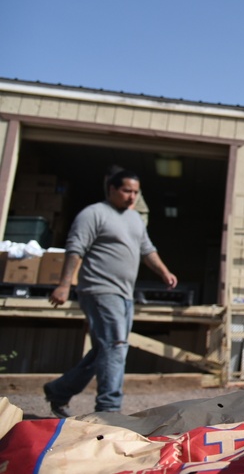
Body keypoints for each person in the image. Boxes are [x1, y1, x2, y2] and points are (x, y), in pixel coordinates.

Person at [44, 169, 177, 417]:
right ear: (112, 189)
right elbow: (75, 249)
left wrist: (164, 272)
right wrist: (64, 285)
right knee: (115, 346)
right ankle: (109, 408)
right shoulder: (93, 214)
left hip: (125, 294)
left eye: (136, 192)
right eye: (127, 191)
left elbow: (147, 249)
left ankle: (59, 390)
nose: (132, 197)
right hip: (99, 289)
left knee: (106, 350)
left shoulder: (135, 218)